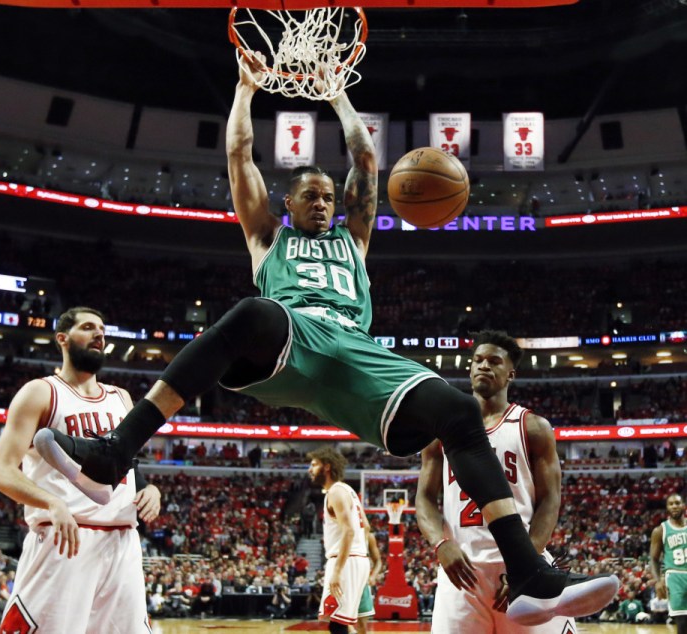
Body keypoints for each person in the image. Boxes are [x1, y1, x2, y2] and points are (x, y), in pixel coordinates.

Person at [33, 51, 618, 626]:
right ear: (286, 203)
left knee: (459, 410)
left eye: (329, 197)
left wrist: (337, 92)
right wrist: (245, 90)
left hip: (357, 356)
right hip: (292, 339)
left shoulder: (354, 239)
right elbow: (239, 153)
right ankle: (116, 451)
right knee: (254, 312)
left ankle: (529, 574)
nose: (323, 203)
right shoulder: (268, 239)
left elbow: (365, 158)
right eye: (310, 195)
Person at [0, 307, 161, 633]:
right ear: (63, 339)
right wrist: (52, 503)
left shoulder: (120, 398)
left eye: (102, 329)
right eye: (88, 327)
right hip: (64, 541)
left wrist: (148, 488)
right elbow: (2, 472)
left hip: (122, 542)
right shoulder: (40, 392)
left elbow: (123, 463)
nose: (99, 333)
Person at [415, 330, 578, 633]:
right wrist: (440, 544)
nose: (483, 366)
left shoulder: (534, 427)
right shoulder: (442, 431)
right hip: (462, 570)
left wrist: (524, 564)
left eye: (494, 361)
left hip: (521, 565)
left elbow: (550, 500)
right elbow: (424, 497)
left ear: (510, 374)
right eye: (477, 360)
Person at [308, 447, 369, 633]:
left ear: (326, 467)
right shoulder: (348, 491)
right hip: (356, 558)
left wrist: (338, 570)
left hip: (347, 561)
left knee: (338, 624)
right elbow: (365, 526)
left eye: (314, 465)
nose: (310, 469)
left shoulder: (335, 492)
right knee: (341, 621)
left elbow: (349, 531)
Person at [650, 492, 687, 634]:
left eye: (677, 503)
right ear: (667, 508)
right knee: (682, 622)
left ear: (683, 505)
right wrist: (658, 581)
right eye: (671, 504)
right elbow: (653, 558)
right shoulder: (660, 530)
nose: (674, 506)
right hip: (675, 577)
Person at [353, 518, 382, 634]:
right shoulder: (343, 534)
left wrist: (373, 576)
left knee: (362, 626)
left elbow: (378, 561)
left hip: (362, 583)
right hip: (345, 582)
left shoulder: (369, 537)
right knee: (341, 623)